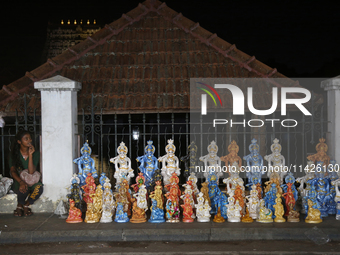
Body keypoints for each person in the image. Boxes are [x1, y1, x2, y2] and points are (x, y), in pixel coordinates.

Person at [9, 130, 43, 216]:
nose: (29, 141)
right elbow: (12, 171)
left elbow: (31, 171)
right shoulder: (12, 155)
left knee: (39, 188)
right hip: (19, 180)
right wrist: (21, 182)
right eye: (26, 139)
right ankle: (19, 205)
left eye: (30, 139)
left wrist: (30, 155)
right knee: (23, 188)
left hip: (32, 180)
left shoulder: (35, 154)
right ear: (19, 141)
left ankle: (25, 205)